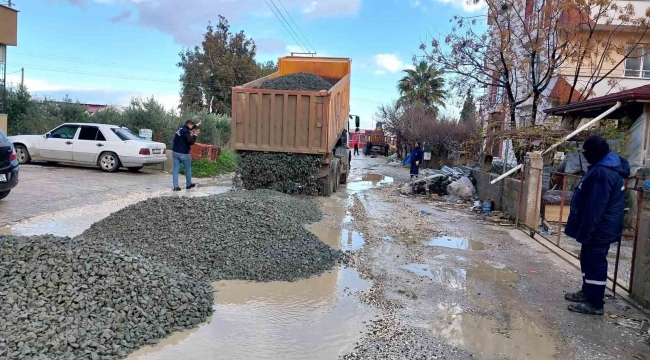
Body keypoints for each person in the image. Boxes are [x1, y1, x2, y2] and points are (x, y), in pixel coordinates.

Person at [564, 136, 630, 315]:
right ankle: (587, 292)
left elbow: (596, 207)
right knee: (587, 259)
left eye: (586, 152)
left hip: (600, 227)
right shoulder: (605, 166)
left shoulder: (603, 172)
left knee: (595, 262)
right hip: (600, 225)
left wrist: (587, 231)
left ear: (594, 152)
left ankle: (595, 303)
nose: (584, 155)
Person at [172, 119, 202, 191]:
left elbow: (190, 128)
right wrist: (195, 134)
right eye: (191, 125)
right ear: (188, 125)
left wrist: (197, 125)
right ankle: (188, 184)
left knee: (176, 170)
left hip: (175, 152)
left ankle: (175, 187)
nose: (192, 127)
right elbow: (191, 142)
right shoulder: (186, 132)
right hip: (183, 153)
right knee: (188, 168)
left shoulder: (181, 128)